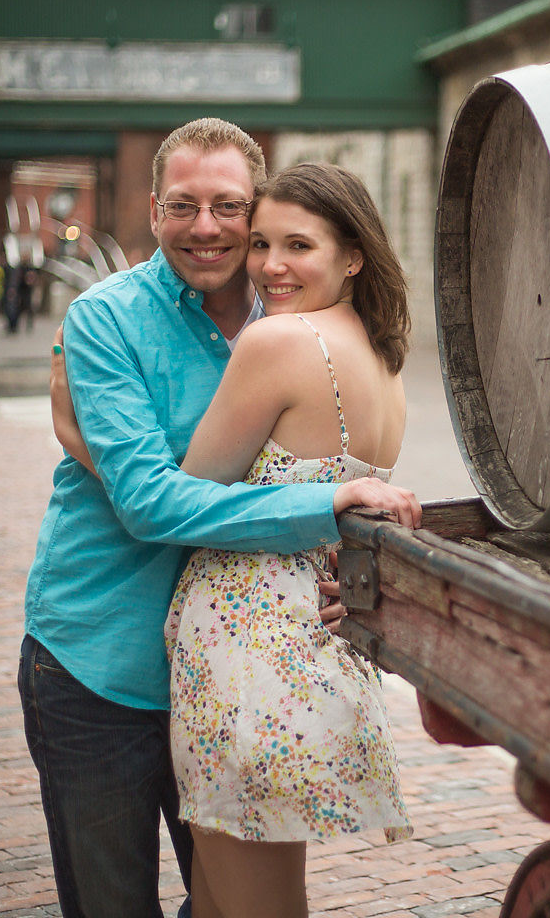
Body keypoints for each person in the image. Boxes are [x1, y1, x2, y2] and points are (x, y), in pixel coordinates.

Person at [21, 117, 418, 918]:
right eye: (182, 205)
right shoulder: (107, 320)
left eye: (229, 207)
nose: (206, 228)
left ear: (255, 208)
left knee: (229, 904)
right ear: (154, 209)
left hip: (236, 670)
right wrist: (322, 508)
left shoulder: (285, 327)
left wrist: (338, 546)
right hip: (103, 660)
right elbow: (150, 504)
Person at [163, 163, 414, 918]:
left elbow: (191, 489)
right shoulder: (382, 358)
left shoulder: (279, 342)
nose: (271, 265)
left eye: (298, 245)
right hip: (312, 648)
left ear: (353, 255)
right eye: (263, 242)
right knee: (225, 899)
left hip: (245, 658)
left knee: (253, 907)